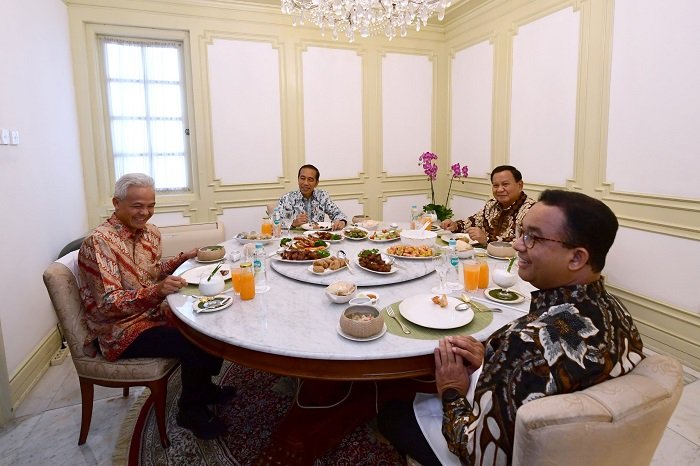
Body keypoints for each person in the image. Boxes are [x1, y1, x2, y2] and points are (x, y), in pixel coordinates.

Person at [378, 189, 645, 466]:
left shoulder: (525, 343)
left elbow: (477, 453)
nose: (517, 245)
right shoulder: (616, 311)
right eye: (521, 233)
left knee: (392, 411)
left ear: (577, 258)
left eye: (533, 237)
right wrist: (494, 364)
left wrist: (452, 391)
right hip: (585, 449)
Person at [78, 173, 235, 440]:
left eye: (151, 205)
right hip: (120, 330)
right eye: (137, 205)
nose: (146, 212)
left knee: (210, 318)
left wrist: (183, 258)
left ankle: (204, 387)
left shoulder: (150, 233)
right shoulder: (99, 242)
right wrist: (156, 292)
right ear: (116, 203)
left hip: (151, 313)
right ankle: (190, 410)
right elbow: (108, 304)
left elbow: (150, 273)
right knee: (194, 340)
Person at [441, 165, 535, 244]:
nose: (499, 189)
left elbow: (527, 243)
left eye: (505, 184)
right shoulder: (492, 205)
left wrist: (487, 239)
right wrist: (455, 225)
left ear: (520, 185)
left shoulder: (533, 211)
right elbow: (473, 221)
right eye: (495, 185)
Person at [277, 164, 348, 230]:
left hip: (318, 238)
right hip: (296, 239)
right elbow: (275, 223)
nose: (305, 183)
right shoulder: (287, 198)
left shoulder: (322, 196)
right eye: (302, 178)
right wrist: (293, 223)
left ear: (316, 183)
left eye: (310, 180)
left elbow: (338, 214)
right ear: (298, 179)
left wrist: (341, 222)